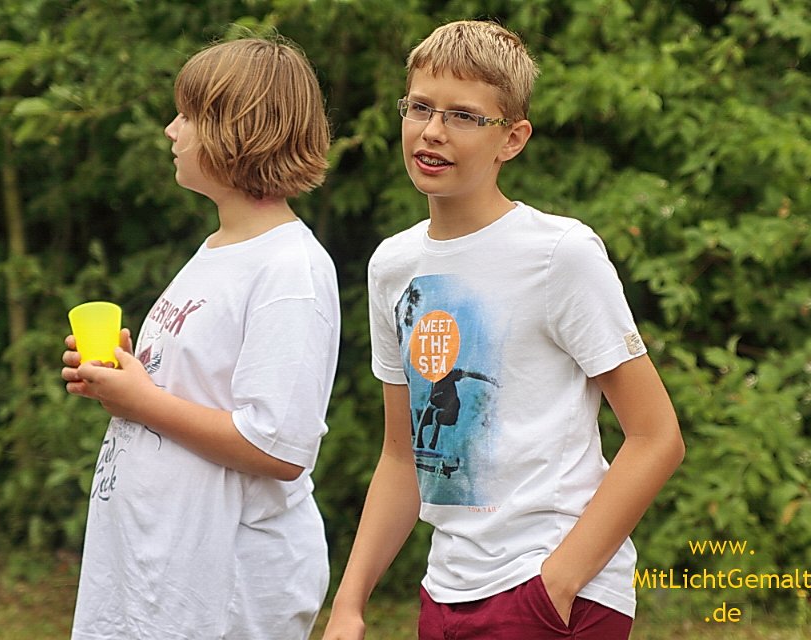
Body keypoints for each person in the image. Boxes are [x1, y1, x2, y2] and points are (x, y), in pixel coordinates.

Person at [323, 20, 684, 640]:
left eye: (464, 116)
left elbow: (657, 437)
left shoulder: (560, 254)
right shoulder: (393, 267)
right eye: (420, 107)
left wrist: (557, 583)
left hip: (552, 592)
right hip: (444, 592)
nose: (432, 131)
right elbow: (401, 455)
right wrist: (348, 604)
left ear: (512, 139)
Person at [61, 36, 340, 640]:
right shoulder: (218, 250)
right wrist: (123, 378)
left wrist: (142, 400)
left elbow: (280, 449)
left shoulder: (290, 271)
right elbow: (193, 394)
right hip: (156, 568)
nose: (170, 129)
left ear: (237, 132)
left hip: (225, 587)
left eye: (187, 115)